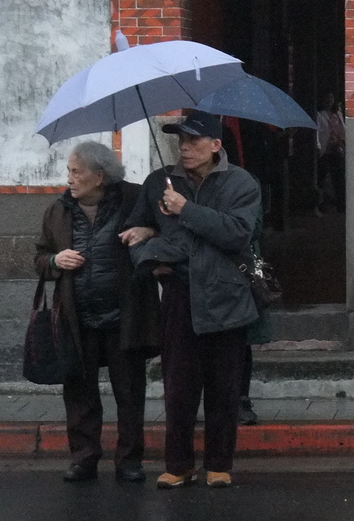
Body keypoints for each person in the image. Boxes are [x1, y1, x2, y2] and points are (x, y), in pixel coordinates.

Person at [119, 110, 261, 490]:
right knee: (178, 387)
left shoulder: (240, 183)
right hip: (180, 296)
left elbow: (236, 234)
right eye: (180, 140)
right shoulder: (158, 182)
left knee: (224, 388)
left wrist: (186, 209)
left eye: (194, 141)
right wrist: (150, 259)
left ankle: (219, 463)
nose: (184, 148)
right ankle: (178, 464)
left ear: (216, 145)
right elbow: (133, 233)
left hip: (226, 296)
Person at [33, 141, 160, 483]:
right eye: (69, 171)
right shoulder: (58, 211)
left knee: (130, 392)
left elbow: (164, 229)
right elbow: (39, 258)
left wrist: (148, 230)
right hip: (78, 318)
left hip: (125, 316)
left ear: (99, 176)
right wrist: (55, 261)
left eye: (77, 171)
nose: (69, 178)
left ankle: (130, 460)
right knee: (78, 391)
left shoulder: (133, 200)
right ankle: (84, 457)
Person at [315, 92, 345, 215]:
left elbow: (343, 130)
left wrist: (343, 142)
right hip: (325, 151)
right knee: (321, 178)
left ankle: (341, 206)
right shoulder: (319, 115)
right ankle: (320, 205)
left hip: (337, 149)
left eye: (331, 97)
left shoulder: (338, 114)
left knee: (339, 179)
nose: (329, 100)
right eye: (327, 97)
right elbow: (317, 131)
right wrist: (318, 146)